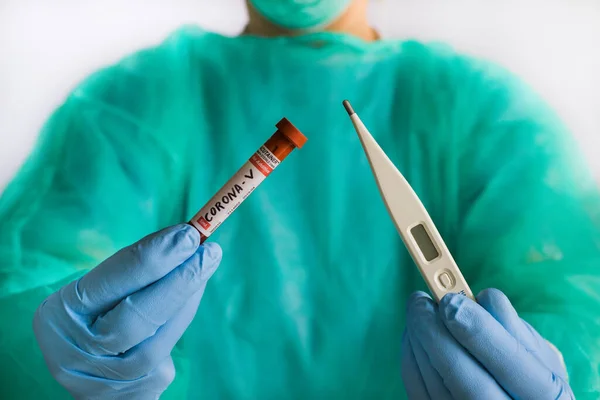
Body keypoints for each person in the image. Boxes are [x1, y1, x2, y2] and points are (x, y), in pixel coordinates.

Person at [0, 0, 598, 398]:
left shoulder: (484, 118)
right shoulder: (129, 110)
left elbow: (580, 314)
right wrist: (68, 348)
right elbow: (20, 303)